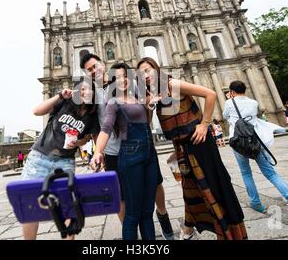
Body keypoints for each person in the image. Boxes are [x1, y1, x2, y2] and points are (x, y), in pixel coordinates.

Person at [137, 57, 247, 240]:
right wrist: (148, 105)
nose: (145, 75)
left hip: (199, 143)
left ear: (156, 69)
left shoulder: (172, 84)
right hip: (181, 148)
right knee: (190, 187)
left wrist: (204, 124)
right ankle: (189, 227)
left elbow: (210, 94)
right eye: (141, 74)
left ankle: (226, 232)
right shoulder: (152, 95)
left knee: (211, 185)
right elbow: (147, 123)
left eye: (147, 70)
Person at [81, 53, 174, 240]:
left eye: (95, 66)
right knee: (122, 197)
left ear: (103, 64)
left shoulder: (130, 83)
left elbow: (148, 103)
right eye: (88, 70)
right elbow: (100, 126)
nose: (93, 71)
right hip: (115, 152)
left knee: (155, 183)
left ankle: (163, 215)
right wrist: (99, 152)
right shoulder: (92, 93)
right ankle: (131, 233)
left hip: (142, 146)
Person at [21, 77, 99, 240]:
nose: (85, 92)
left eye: (89, 89)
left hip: (65, 161)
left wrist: (79, 142)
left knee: (68, 207)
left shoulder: (92, 116)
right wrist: (59, 96)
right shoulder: (65, 103)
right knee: (30, 206)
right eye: (82, 89)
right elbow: (36, 111)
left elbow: (89, 137)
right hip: (39, 157)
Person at [224, 81, 288, 225]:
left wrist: (229, 100)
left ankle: (256, 202)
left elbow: (226, 116)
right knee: (271, 173)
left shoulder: (229, 103)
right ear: (245, 90)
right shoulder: (253, 102)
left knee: (246, 173)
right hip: (255, 140)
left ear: (232, 91)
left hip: (238, 142)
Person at [92, 62, 159, 240]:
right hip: (130, 156)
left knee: (147, 211)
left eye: (125, 76)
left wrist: (150, 106)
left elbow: (147, 122)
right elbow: (106, 127)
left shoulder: (138, 98)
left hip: (150, 155)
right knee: (133, 213)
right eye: (117, 77)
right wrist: (98, 151)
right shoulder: (113, 102)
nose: (122, 80)